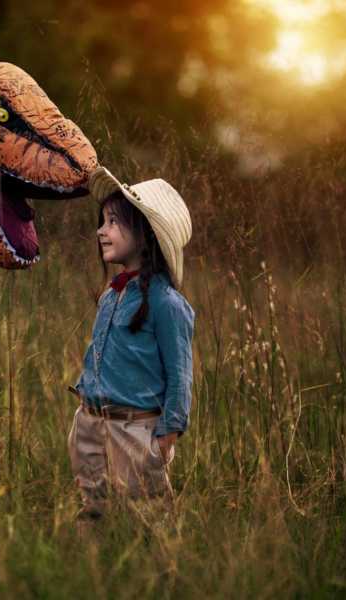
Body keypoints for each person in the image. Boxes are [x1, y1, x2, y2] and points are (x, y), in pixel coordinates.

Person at [68, 166, 195, 520]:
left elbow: (180, 374)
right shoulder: (113, 294)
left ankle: (160, 572)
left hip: (135, 430)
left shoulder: (167, 304)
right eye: (102, 222)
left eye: (112, 222)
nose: (101, 231)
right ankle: (92, 572)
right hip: (91, 423)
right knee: (93, 510)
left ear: (145, 232)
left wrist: (168, 432)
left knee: (148, 517)